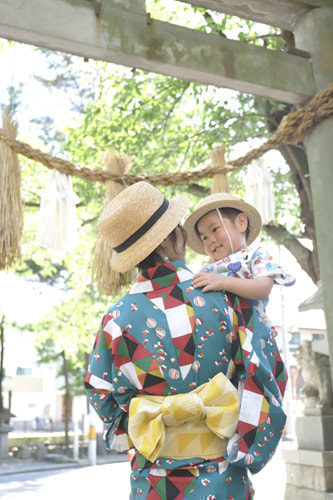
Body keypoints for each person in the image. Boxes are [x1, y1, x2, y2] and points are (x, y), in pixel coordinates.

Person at [85, 182, 287, 500]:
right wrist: (251, 449)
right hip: (222, 478)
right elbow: (266, 373)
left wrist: (139, 435)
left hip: (152, 481)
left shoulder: (115, 320)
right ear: (169, 238)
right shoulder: (226, 296)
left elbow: (100, 390)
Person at [183, 192, 295, 332]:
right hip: (218, 334)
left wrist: (223, 282)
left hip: (251, 331)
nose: (210, 240)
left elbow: (262, 289)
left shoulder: (256, 256)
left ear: (241, 222)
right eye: (204, 237)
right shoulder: (207, 270)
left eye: (215, 229)